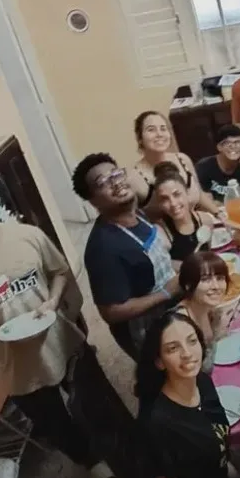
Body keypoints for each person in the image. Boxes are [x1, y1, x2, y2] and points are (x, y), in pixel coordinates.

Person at [0, 171, 116, 478]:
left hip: (62, 341)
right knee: (54, 422)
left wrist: (54, 302)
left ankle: (119, 449)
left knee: (99, 403)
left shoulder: (26, 235)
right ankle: (90, 461)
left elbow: (60, 272)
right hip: (15, 367)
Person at [73, 153, 181, 360]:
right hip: (144, 328)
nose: (116, 183)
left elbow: (154, 263)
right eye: (103, 182)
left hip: (170, 306)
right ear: (93, 201)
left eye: (116, 174)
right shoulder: (103, 249)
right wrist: (166, 293)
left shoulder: (137, 214)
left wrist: (186, 266)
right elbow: (111, 312)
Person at [136, 311, 235, 478]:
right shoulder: (157, 424)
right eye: (173, 348)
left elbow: (219, 443)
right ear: (159, 362)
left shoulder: (203, 382)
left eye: (192, 341)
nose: (187, 353)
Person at [131, 110, 220, 217]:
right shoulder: (135, 177)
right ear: (139, 138)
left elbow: (199, 194)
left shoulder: (183, 159)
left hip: (196, 223)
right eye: (151, 130)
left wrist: (218, 214)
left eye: (163, 129)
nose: (159, 134)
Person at [175, 251, 231, 372]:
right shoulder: (180, 325)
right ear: (188, 285)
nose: (216, 286)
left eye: (220, 278)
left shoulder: (208, 306)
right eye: (205, 280)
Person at [153, 162, 215, 266]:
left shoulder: (205, 221)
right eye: (164, 199)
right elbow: (164, 268)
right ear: (159, 204)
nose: (173, 203)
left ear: (187, 193)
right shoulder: (160, 235)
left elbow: (209, 257)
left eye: (177, 194)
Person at [196, 124, 240, 202]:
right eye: (227, 143)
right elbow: (198, 199)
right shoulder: (203, 168)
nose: (233, 146)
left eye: (237, 142)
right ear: (219, 147)